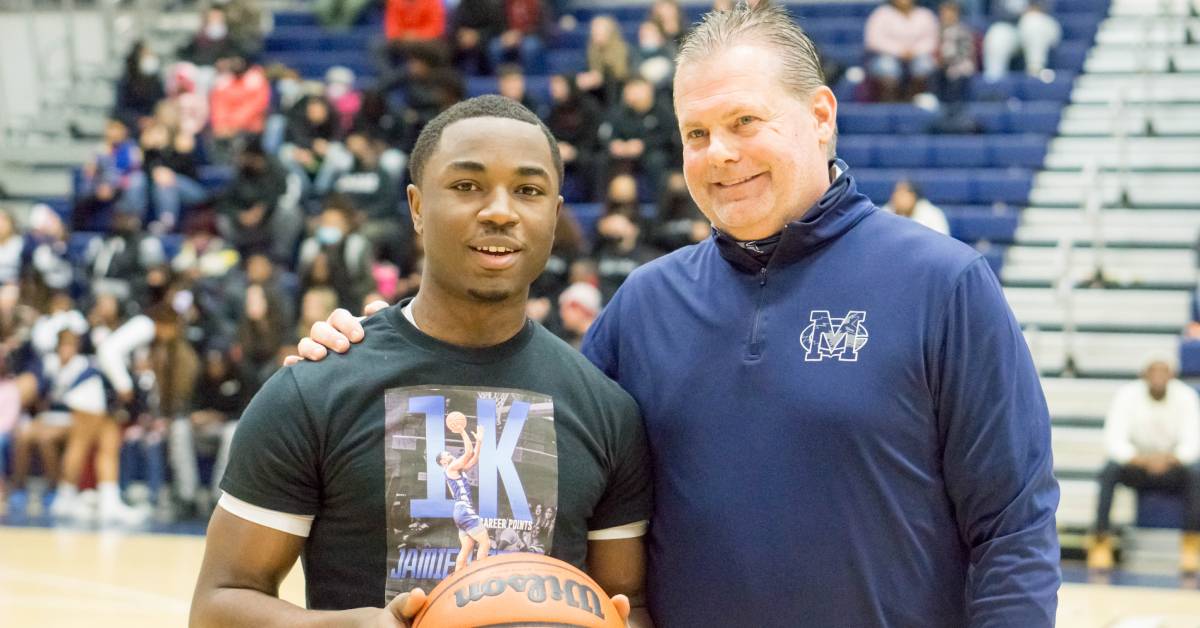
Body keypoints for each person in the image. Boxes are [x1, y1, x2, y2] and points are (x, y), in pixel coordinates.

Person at [297, 3, 1061, 626]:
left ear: (821, 116)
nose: (719, 153)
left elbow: (1013, 528)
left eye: (745, 122)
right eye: (696, 133)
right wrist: (379, 349)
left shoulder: (943, 284)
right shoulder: (645, 306)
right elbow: (530, 443)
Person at [190, 96, 649, 628]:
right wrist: (356, 626)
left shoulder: (607, 411)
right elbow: (218, 605)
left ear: (554, 213)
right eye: (467, 186)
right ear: (416, 207)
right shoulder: (315, 389)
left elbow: (630, 604)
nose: (500, 211)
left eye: (528, 191)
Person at [1088, 358, 1200, 573]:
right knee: (1109, 471)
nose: (1158, 377)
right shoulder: (1126, 395)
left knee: (1196, 473)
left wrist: (1168, 459)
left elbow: (1192, 444)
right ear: (1144, 374)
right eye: (1153, 371)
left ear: (1172, 375)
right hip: (1137, 466)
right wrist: (1143, 460)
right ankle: (1100, 540)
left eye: (1163, 371)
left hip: (1172, 466)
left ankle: (1191, 544)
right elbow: (1114, 440)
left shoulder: (1186, 396)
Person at [438, 418, 489, 572]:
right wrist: (462, 431)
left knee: (467, 547)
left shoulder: (456, 470)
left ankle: (457, 578)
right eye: (447, 454)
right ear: (443, 462)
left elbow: (474, 459)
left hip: (459, 512)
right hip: (464, 510)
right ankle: (480, 576)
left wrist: (479, 442)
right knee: (485, 542)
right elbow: (468, 453)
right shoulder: (450, 468)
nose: (451, 454)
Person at [864, 0, 939, 102]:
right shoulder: (881, 14)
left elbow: (932, 40)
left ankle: (915, 101)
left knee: (925, 65)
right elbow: (873, 40)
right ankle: (891, 102)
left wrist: (914, 51)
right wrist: (899, 51)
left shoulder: (925, 14)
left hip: (918, 55)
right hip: (887, 55)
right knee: (887, 66)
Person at [882, 179, 950, 236]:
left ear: (914, 196)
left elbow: (942, 242)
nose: (899, 198)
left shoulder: (933, 214)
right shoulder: (885, 213)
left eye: (904, 194)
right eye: (897, 193)